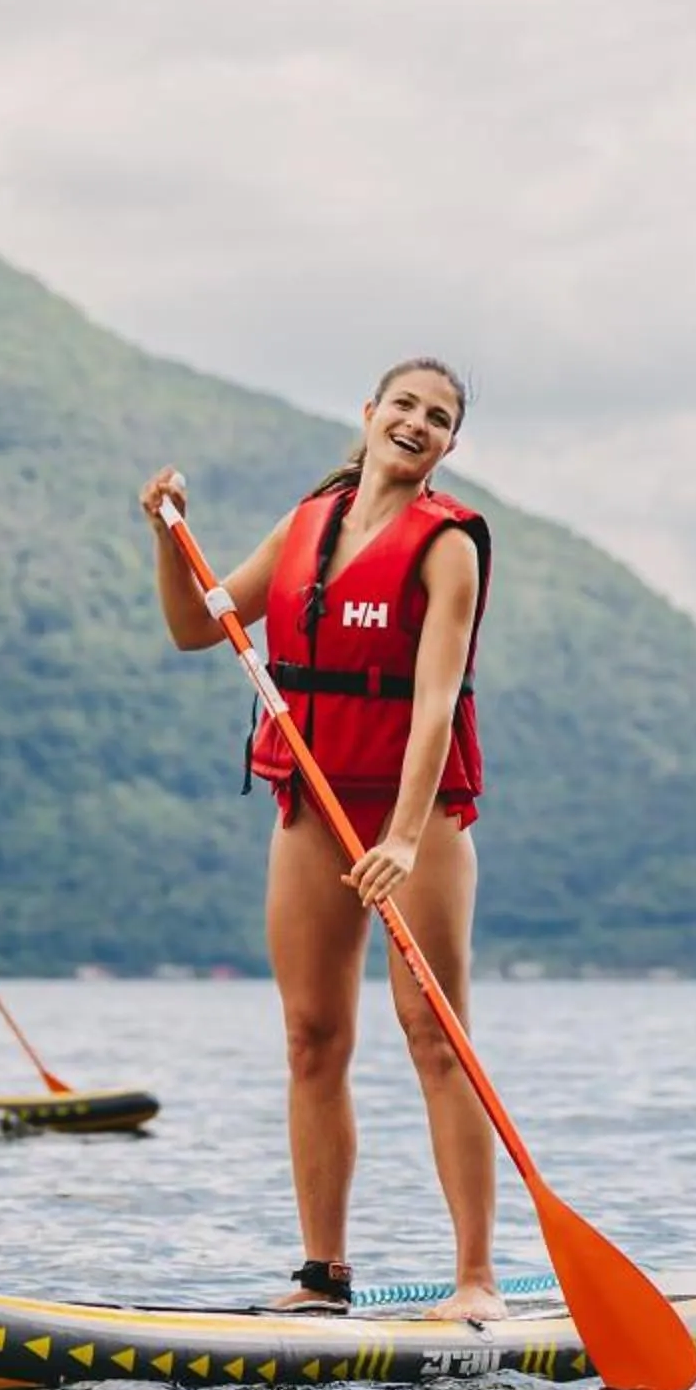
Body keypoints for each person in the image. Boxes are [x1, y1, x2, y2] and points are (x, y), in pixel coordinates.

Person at [139, 357, 505, 1320]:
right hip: (310, 810)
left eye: (439, 416)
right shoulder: (308, 524)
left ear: (449, 444)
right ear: (370, 413)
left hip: (407, 817)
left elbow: (433, 711)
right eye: (405, 406)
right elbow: (193, 628)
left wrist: (408, 840)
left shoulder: (449, 546)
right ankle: (321, 1275)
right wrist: (166, 538)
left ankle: (475, 1280)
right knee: (311, 1040)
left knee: (435, 1037)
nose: (417, 423)